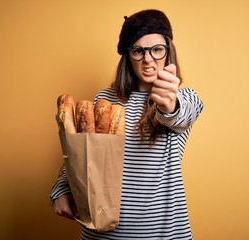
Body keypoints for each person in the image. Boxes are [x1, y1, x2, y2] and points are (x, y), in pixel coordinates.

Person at [50, 9, 204, 240]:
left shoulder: (184, 98)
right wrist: (62, 187)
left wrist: (168, 103)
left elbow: (179, 115)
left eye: (157, 50)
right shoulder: (106, 99)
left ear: (168, 52)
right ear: (128, 55)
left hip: (162, 234)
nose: (148, 59)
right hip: (101, 233)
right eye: (138, 50)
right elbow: (83, 152)